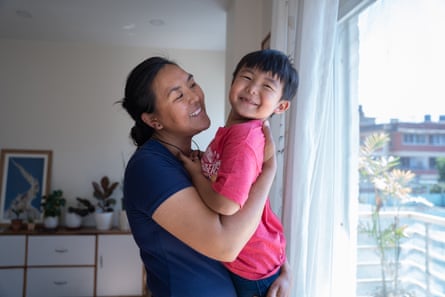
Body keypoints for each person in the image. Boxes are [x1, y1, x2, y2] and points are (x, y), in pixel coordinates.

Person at [121, 56, 289, 297]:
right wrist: (270, 169)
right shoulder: (149, 168)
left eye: (192, 84)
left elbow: (252, 221)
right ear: (153, 120)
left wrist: (283, 267)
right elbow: (226, 246)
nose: (194, 96)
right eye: (178, 96)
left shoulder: (197, 159)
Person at [180, 49, 299, 297]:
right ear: (233, 81)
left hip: (252, 267)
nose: (253, 89)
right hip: (257, 254)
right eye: (246, 77)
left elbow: (226, 203)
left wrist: (195, 174)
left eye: (267, 85)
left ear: (282, 105)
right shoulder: (235, 133)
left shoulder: (244, 139)